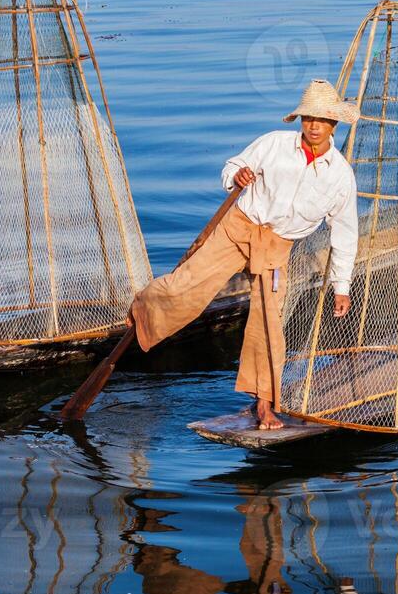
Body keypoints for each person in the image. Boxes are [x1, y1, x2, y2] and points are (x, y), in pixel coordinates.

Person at [130, 79, 359, 430]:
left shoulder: (340, 175)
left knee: (268, 326)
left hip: (275, 247)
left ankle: (264, 404)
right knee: (185, 286)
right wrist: (237, 175)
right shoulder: (273, 145)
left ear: (334, 125)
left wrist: (341, 286)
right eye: (308, 118)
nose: (313, 126)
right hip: (237, 228)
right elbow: (231, 167)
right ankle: (141, 312)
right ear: (300, 120)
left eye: (322, 120)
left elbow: (344, 231)